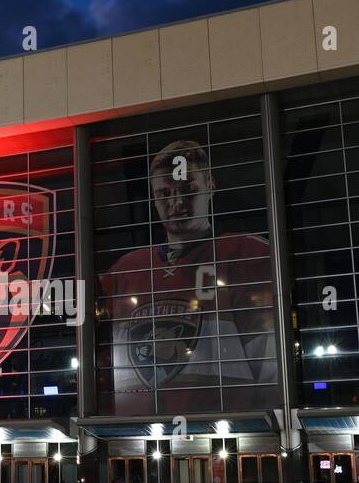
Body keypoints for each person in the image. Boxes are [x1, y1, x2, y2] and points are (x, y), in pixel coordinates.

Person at [98, 139, 277, 414]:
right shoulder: (126, 269)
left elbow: (270, 367)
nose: (177, 203)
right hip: (135, 437)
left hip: (224, 432)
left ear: (210, 184)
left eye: (187, 190)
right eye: (164, 194)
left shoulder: (246, 255)